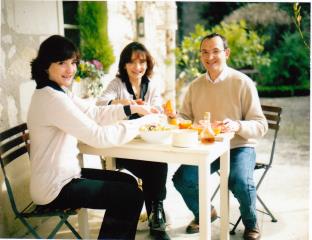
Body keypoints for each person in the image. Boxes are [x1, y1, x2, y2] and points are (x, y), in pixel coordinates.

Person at [27, 35, 162, 240]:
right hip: (55, 187)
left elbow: (94, 112)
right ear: (46, 65)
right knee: (131, 196)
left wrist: (133, 108)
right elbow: (98, 137)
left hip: (66, 175)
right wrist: (143, 122)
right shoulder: (51, 98)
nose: (70, 69)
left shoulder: (59, 92)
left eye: (73, 62)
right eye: (62, 63)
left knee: (128, 182)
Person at [169, 33, 268, 240]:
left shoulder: (243, 83)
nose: (210, 56)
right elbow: (185, 117)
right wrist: (174, 118)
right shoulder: (195, 86)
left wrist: (236, 125)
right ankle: (205, 213)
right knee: (182, 179)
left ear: (227, 53)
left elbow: (261, 125)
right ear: (200, 56)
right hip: (207, 148)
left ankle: (251, 223)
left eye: (215, 51)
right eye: (205, 52)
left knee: (239, 180)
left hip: (239, 146)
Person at [97, 42, 170, 240]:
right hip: (120, 146)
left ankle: (156, 212)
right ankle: (157, 217)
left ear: (148, 64)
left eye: (142, 62)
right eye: (132, 62)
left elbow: (157, 113)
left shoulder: (151, 85)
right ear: (124, 65)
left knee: (158, 164)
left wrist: (159, 111)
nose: (138, 67)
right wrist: (128, 104)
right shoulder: (117, 83)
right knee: (155, 168)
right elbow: (101, 104)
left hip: (145, 142)